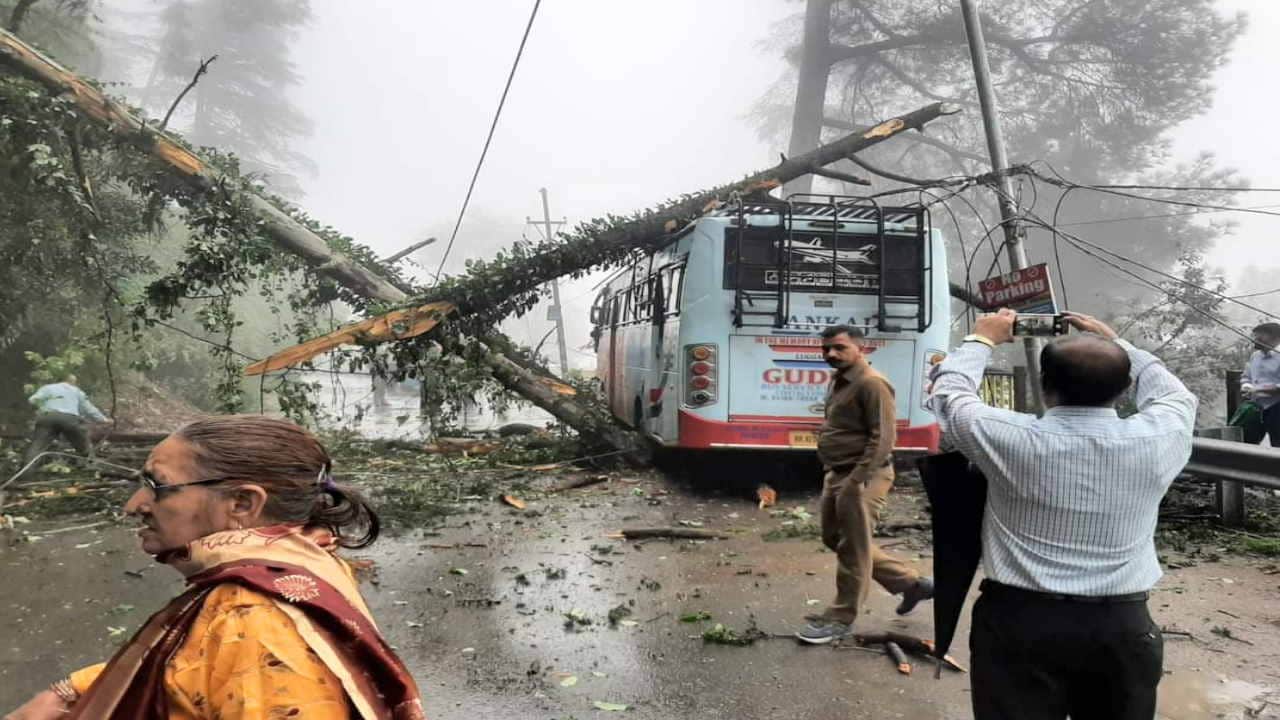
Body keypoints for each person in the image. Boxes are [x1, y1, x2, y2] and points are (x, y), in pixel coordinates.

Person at [4, 415, 425, 720]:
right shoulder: (304, 562)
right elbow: (201, 664)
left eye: (157, 486)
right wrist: (71, 691)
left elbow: (249, 661)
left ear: (242, 503)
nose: (134, 506)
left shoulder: (257, 620)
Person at [927, 309, 1196, 720]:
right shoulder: (1162, 436)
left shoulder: (1008, 438)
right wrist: (1121, 345)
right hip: (1121, 625)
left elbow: (949, 396)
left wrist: (981, 340)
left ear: (1045, 387)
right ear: (1124, 389)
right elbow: (1176, 395)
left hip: (1018, 623)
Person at [795, 324, 934, 644]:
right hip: (839, 472)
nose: (831, 353)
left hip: (864, 476)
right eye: (826, 348)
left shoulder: (872, 384)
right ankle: (913, 585)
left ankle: (840, 618)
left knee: (853, 548)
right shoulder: (840, 381)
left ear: (861, 348)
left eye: (839, 348)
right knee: (834, 538)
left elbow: (883, 439)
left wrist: (855, 481)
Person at [17, 374, 109, 479]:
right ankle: (93, 470)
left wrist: (44, 408)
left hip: (47, 417)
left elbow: (32, 400)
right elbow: (89, 409)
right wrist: (104, 420)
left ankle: (25, 474)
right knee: (83, 444)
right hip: (69, 419)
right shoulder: (77, 391)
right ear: (72, 382)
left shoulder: (48, 388)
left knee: (37, 446)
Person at [1241, 321, 1280, 446]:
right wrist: (1246, 386)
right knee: (1248, 443)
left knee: (1277, 444)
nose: (1255, 339)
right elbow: (1246, 377)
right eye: (1255, 336)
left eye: (1260, 336)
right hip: (1256, 408)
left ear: (1275, 337)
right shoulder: (1255, 356)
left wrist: (1256, 389)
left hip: (1277, 407)